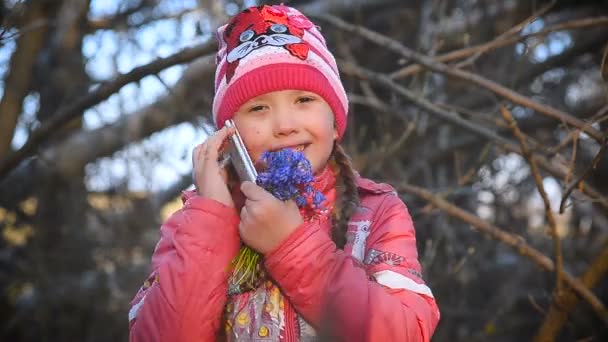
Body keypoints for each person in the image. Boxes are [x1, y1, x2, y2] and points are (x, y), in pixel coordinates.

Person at [128, 4, 439, 341]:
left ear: (335, 123)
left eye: (304, 100)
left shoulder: (375, 214)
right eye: (258, 108)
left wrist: (290, 245)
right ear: (229, 134)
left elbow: (405, 331)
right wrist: (213, 218)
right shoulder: (193, 223)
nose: (285, 125)